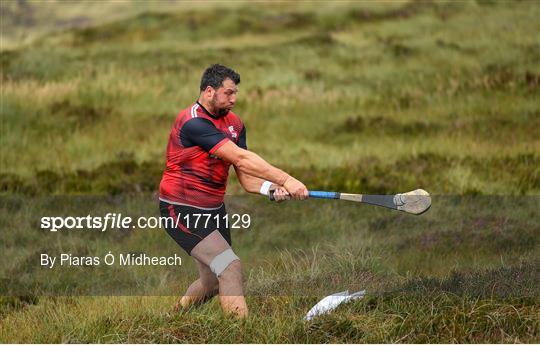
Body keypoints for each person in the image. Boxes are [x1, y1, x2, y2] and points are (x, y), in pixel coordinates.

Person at [159, 64, 308, 318]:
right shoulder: (193, 122)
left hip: (214, 210)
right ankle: (240, 335)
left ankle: (172, 319)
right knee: (230, 267)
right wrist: (287, 179)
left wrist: (272, 188)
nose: (234, 99)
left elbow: (247, 178)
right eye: (228, 93)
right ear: (209, 91)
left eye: (235, 93)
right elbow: (240, 158)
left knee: (212, 282)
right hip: (181, 209)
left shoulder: (235, 124)